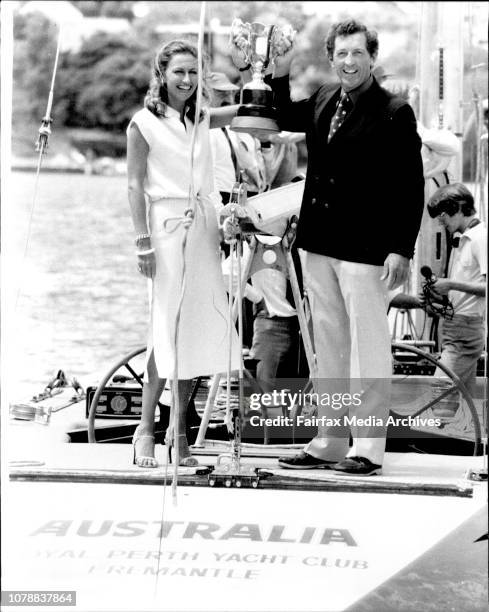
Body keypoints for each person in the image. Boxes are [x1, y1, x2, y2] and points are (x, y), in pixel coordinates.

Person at [232, 19, 425, 475]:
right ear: (331, 57)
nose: (349, 61)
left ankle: (369, 449)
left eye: (358, 53)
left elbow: (410, 185)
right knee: (329, 349)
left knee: (368, 350)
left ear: (372, 58)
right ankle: (330, 440)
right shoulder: (321, 98)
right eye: (341, 53)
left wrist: (401, 248)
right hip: (318, 243)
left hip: (367, 248)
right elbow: (280, 114)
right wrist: (275, 71)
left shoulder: (395, 111)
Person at [126, 40, 241, 468]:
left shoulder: (202, 118)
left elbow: (252, 116)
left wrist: (261, 79)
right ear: (162, 73)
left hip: (204, 226)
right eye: (179, 72)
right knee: (165, 326)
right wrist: (143, 242)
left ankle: (180, 434)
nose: (187, 80)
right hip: (166, 228)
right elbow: (134, 186)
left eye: (194, 73)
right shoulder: (143, 123)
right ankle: (145, 431)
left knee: (196, 330)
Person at [422, 183, 486, 418]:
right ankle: (466, 444)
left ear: (459, 209)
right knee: (465, 398)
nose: (441, 222)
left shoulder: (480, 238)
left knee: (441, 387)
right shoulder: (463, 240)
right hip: (456, 326)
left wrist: (450, 284)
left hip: (465, 331)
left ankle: (438, 440)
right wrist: (439, 295)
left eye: (443, 216)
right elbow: (466, 292)